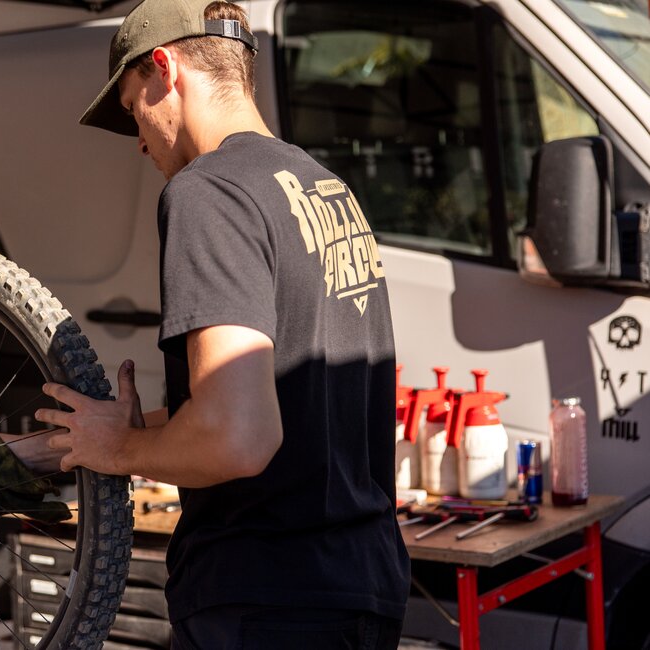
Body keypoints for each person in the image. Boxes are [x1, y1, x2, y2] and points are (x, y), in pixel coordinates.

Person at [31, 0, 411, 647]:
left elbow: (238, 437)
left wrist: (120, 451)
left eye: (132, 111)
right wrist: (115, 431)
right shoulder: (323, 188)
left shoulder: (209, 191)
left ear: (164, 68)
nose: (142, 143)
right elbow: (289, 401)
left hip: (266, 599)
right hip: (358, 583)